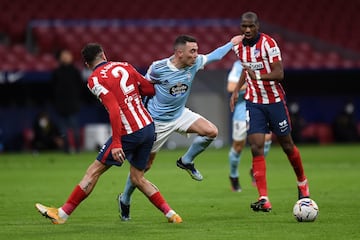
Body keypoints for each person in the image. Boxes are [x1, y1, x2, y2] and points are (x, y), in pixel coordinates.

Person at [35, 43, 182, 224]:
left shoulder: (94, 79)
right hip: (148, 127)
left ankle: (62, 214)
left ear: (87, 65)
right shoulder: (125, 66)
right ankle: (172, 215)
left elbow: (114, 109)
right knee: (137, 178)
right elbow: (149, 89)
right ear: (104, 55)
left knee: (93, 171)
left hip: (128, 132)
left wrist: (117, 143)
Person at [118, 34, 244, 220]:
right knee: (144, 167)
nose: (196, 54)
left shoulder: (194, 63)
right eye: (192, 51)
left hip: (180, 114)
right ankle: (125, 198)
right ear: (179, 52)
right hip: (157, 121)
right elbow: (142, 88)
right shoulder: (158, 68)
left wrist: (231, 44)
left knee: (211, 131)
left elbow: (214, 55)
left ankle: (186, 161)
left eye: (196, 50)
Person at [230, 12, 310, 212]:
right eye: (244, 26)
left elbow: (279, 73)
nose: (247, 30)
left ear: (258, 26)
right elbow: (245, 70)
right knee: (256, 147)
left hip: (274, 102)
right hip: (253, 103)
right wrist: (236, 92)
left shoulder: (269, 44)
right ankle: (264, 198)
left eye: (251, 26)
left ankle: (302, 183)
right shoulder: (238, 47)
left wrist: (257, 76)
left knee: (287, 145)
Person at [226, 60, 272, 192]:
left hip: (260, 108)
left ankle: (254, 169)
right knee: (238, 146)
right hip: (242, 110)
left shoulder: (265, 63)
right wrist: (251, 83)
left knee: (267, 139)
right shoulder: (238, 65)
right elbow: (230, 87)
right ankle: (233, 176)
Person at [51, 49, 83, 153]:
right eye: (63, 56)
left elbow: (81, 87)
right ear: (60, 58)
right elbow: (52, 89)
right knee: (63, 131)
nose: (65, 57)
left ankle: (78, 149)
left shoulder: (75, 71)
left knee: (75, 130)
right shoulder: (56, 72)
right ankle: (66, 149)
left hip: (73, 106)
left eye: (67, 55)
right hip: (61, 106)